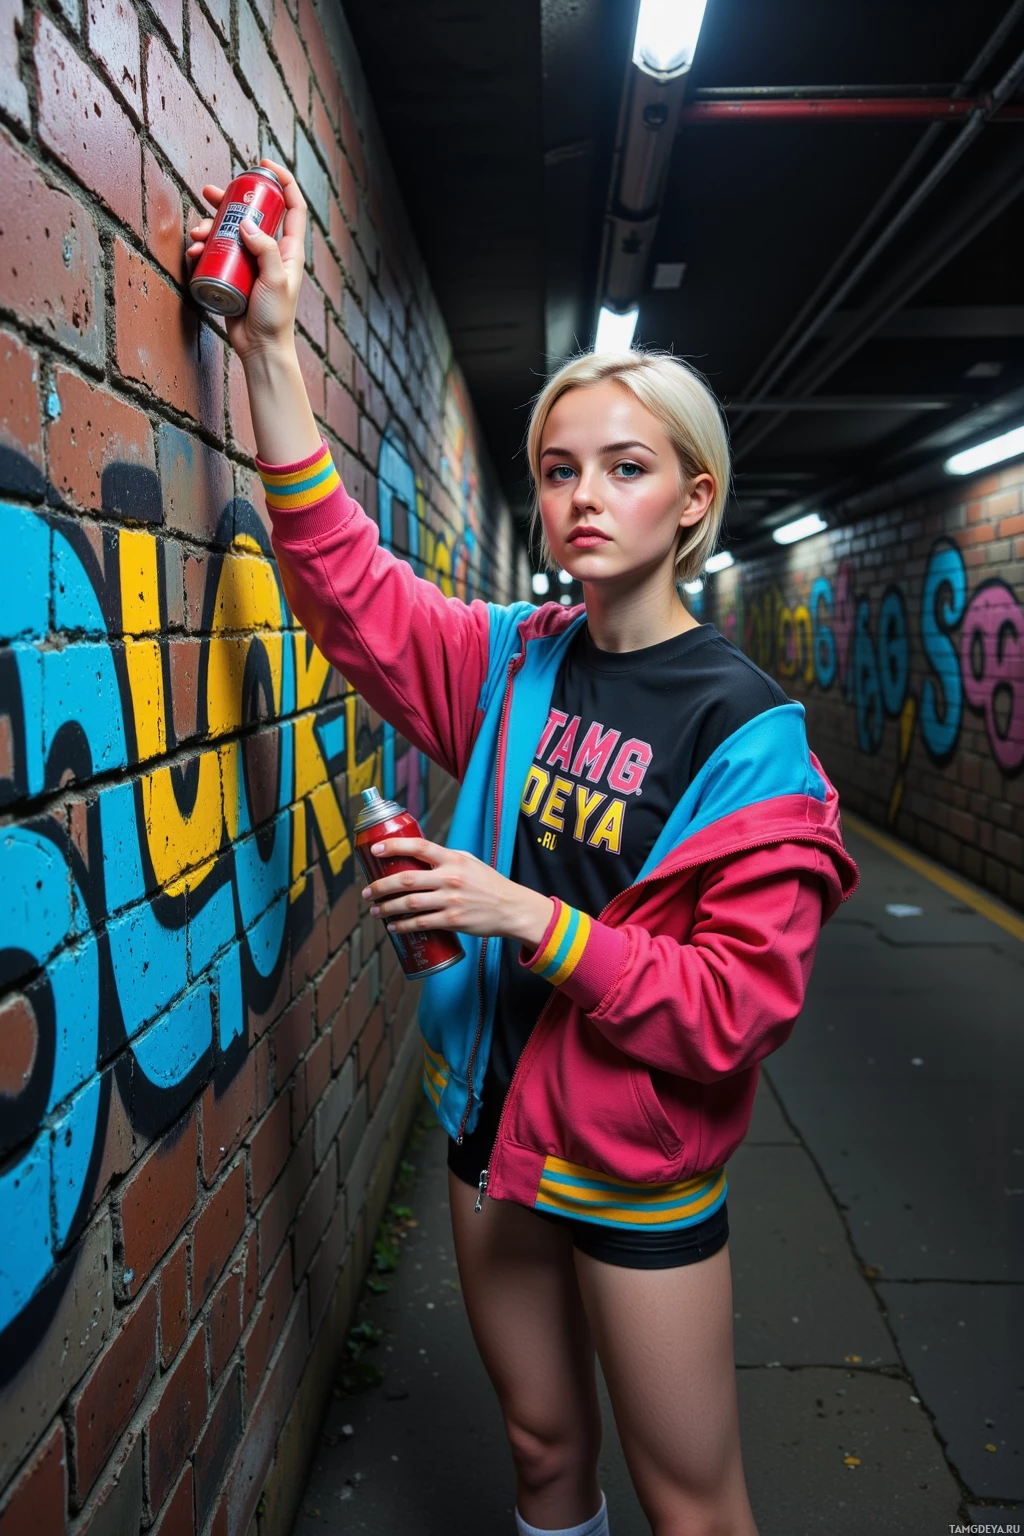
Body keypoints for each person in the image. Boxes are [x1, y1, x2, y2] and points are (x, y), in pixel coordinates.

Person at [189, 161, 858, 1536]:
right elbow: (344, 577)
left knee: (692, 1500)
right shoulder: (513, 663)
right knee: (543, 1450)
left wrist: (528, 921)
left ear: (693, 499)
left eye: (626, 468)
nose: (583, 498)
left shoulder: (750, 742)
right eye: (560, 471)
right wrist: (267, 347)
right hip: (489, 1134)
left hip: (635, 1168)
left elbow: (737, 1010)